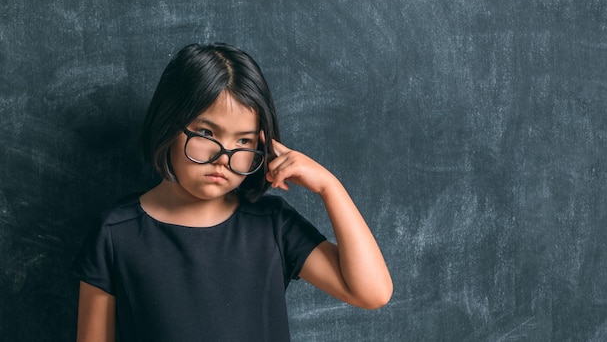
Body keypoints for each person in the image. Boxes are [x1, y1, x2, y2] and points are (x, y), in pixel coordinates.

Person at [72, 43, 392, 341]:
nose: (223, 157)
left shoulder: (273, 225)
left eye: (243, 141)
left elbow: (372, 292)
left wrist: (329, 187)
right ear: (168, 125)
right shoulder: (115, 233)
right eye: (206, 132)